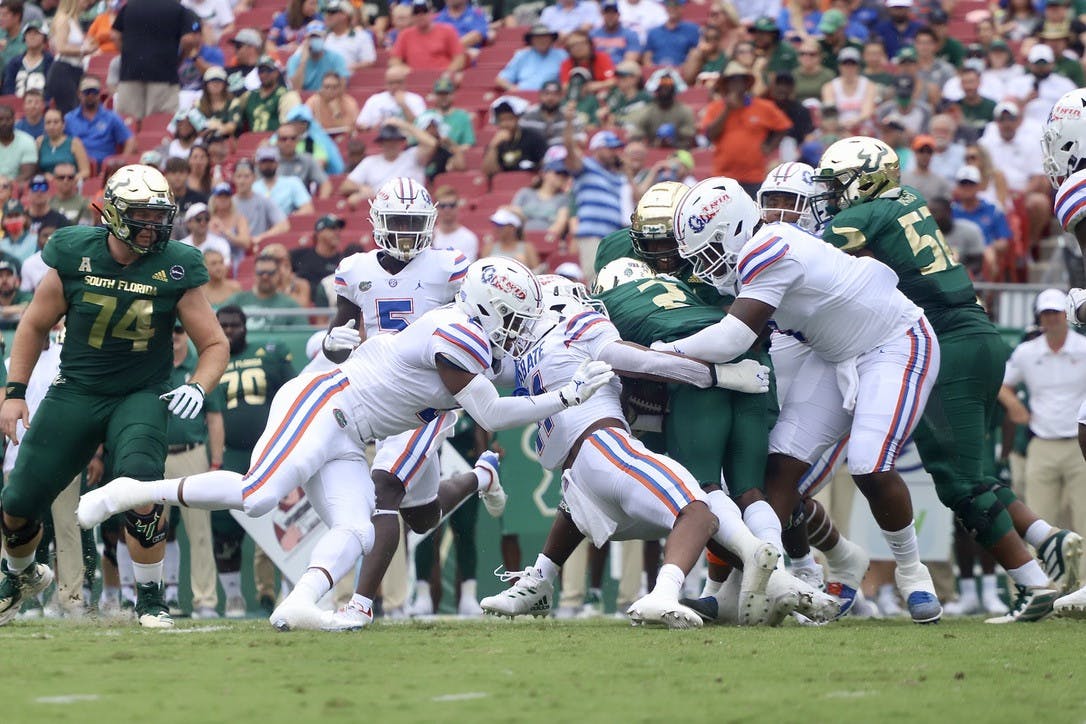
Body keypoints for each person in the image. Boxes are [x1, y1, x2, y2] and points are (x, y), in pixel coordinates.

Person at [78, 256, 616, 631]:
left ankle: (301, 604)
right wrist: (566, 397)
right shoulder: (458, 332)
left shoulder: (473, 330)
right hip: (322, 404)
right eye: (514, 319)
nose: (519, 329)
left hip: (352, 430)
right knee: (259, 495)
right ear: (488, 310)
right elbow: (493, 411)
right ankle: (131, 489)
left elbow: (514, 363)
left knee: (359, 528)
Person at [657, 175, 945, 624]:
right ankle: (748, 587)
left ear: (735, 230)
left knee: (870, 463)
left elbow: (733, 336)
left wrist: (663, 353)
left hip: (895, 341)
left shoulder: (768, 248)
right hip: (831, 355)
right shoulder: (756, 251)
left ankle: (913, 572)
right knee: (777, 467)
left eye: (710, 251)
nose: (706, 266)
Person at [813, 137, 1073, 622]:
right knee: (975, 475)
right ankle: (1049, 540)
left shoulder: (864, 214)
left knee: (959, 484)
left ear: (863, 179)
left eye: (836, 185)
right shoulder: (907, 199)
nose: (831, 195)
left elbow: (811, 256)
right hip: (979, 334)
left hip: (945, 344)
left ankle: (1033, 582)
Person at [0, 164, 230, 628]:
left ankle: (149, 597)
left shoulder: (175, 264)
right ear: (114, 213)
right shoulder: (74, 253)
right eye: (143, 213)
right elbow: (34, 325)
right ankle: (20, 575)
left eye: (159, 213)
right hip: (77, 390)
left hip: (140, 393)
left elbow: (215, 344)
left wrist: (198, 385)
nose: (155, 224)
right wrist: (14, 393)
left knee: (141, 484)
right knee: (18, 500)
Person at [210, 304, 295, 617]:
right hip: (230, 451)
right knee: (224, 524)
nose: (229, 330)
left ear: (246, 326)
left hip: (268, 450)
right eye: (223, 325)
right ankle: (233, 597)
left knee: (278, 523)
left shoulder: (270, 353)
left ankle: (277, 594)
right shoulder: (212, 359)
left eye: (234, 325)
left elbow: (292, 392)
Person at [162, 322, 221, 618]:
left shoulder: (199, 368)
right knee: (148, 530)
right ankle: (152, 598)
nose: (174, 334)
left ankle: (205, 600)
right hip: (156, 455)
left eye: (179, 329)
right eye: (170, 329)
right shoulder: (153, 367)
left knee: (199, 533)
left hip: (192, 454)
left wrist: (215, 462)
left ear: (187, 334)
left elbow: (214, 416)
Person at [701, 62, 792, 198]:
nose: (736, 85)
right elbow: (709, 135)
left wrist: (769, 146)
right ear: (725, 84)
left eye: (740, 80)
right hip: (722, 176)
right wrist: (727, 110)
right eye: (732, 81)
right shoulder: (715, 107)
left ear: (746, 83)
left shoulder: (763, 106)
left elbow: (784, 126)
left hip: (754, 176)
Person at [112, 0, 201, 119]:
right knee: (159, 123)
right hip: (164, 75)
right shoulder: (178, 9)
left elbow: (114, 35)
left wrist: (128, 55)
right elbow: (188, 40)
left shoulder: (129, 6)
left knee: (129, 123)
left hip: (130, 75)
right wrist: (181, 58)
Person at [340, 122, 427, 207]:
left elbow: (431, 143)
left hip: (412, 204)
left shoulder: (413, 156)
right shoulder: (370, 162)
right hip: (383, 207)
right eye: (387, 141)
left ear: (401, 142)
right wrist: (361, 188)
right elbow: (346, 186)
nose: (391, 144)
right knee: (354, 199)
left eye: (394, 140)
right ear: (381, 143)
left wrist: (403, 125)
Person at [63, 76, 135, 166]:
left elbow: (129, 139)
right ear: (79, 94)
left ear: (99, 93)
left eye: (94, 92)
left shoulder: (111, 117)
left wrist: (122, 162)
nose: (91, 95)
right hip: (77, 166)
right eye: (87, 92)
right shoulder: (69, 118)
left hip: (104, 166)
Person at [290, 214, 360, 304]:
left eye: (339, 229)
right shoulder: (300, 255)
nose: (337, 232)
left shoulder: (343, 262)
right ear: (319, 233)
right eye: (332, 228)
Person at [225, 253, 304, 329]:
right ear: (254, 274)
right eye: (260, 273)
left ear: (278, 275)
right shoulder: (236, 300)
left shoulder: (290, 305)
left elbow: (299, 336)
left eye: (270, 273)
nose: (265, 276)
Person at [44, 0, 94, 115]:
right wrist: (84, 49)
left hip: (76, 69)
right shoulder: (63, 19)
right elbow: (60, 47)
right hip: (63, 70)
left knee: (77, 110)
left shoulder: (73, 19)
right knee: (69, 111)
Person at [390, 0, 464, 74]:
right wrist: (409, 72)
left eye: (424, 11)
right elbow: (394, 60)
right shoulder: (405, 35)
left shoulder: (448, 31)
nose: (420, 15)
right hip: (414, 79)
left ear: (431, 13)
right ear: (412, 16)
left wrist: (448, 73)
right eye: (416, 13)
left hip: (443, 79)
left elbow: (459, 59)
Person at [481, 96, 548, 176]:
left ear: (517, 119)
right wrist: (493, 146)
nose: (506, 124)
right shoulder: (495, 143)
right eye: (502, 120)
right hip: (505, 185)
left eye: (510, 119)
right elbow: (488, 172)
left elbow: (545, 164)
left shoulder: (533, 137)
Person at [237, 56, 301, 134]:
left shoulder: (287, 95)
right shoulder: (249, 95)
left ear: (276, 73)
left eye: (268, 71)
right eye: (261, 71)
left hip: (276, 141)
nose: (264, 74)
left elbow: (290, 126)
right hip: (252, 141)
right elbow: (234, 111)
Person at [231, 159, 288, 244]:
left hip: (259, 246)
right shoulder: (229, 203)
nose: (242, 181)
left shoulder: (263, 201)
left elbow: (284, 225)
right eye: (239, 176)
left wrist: (261, 237)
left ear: (254, 178)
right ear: (234, 178)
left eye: (246, 176)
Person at [496, 24, 567, 92]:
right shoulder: (521, 55)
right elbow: (500, 80)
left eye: (545, 37)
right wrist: (513, 89)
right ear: (531, 41)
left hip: (551, 97)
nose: (542, 40)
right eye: (537, 38)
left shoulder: (562, 55)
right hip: (524, 95)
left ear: (551, 39)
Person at [287, 20, 349, 93]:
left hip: (329, 98)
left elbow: (342, 85)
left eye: (318, 37)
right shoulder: (294, 60)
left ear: (325, 38)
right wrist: (303, 61)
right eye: (312, 37)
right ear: (306, 39)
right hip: (303, 101)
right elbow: (296, 89)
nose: (315, 40)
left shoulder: (337, 58)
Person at [511, 159, 571, 235]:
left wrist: (543, 239)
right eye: (558, 173)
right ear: (544, 174)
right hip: (523, 239)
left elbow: (560, 223)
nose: (562, 177)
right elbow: (512, 214)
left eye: (565, 175)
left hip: (548, 240)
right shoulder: (525, 193)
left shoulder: (563, 198)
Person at [252, 146, 314, 217]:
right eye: (264, 162)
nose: (268, 165)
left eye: (271, 161)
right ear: (258, 164)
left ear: (277, 163)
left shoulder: (293, 182)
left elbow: (307, 208)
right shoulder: (253, 188)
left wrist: (288, 219)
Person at [480, 207, 540, 271]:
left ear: (512, 227)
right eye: (495, 224)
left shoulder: (527, 248)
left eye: (500, 225)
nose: (496, 228)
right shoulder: (488, 248)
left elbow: (537, 272)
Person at [322, 0, 375, 72]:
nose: (327, 16)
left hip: (352, 80)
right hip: (325, 80)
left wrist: (342, 69)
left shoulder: (361, 36)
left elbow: (369, 62)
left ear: (345, 15)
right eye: (326, 13)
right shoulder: (323, 37)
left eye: (332, 13)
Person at [3, 19, 51, 97]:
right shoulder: (14, 63)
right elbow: (8, 89)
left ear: (44, 38)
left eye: (36, 33)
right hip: (15, 105)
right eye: (28, 33)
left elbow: (51, 90)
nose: (32, 36)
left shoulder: (50, 62)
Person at [164, 156, 208, 239]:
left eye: (181, 172)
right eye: (173, 172)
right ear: (166, 175)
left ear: (188, 174)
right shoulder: (161, 200)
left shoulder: (199, 198)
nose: (177, 177)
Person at [37, 107, 88, 178]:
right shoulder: (39, 142)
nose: (52, 126)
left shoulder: (75, 143)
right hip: (46, 186)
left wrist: (67, 180)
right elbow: (34, 170)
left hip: (69, 184)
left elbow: (85, 172)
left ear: (63, 125)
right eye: (48, 122)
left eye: (56, 122)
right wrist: (43, 176)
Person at [432, 185, 479, 260]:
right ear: (436, 208)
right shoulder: (429, 237)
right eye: (442, 206)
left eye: (452, 205)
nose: (447, 209)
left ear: (458, 206)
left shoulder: (469, 238)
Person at [305, 71, 359, 137]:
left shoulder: (349, 102)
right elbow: (305, 126)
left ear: (340, 88)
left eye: (334, 87)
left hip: (343, 139)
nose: (330, 91)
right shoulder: (313, 102)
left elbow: (351, 129)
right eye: (327, 87)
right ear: (321, 88)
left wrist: (337, 113)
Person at [207, 182, 251, 261]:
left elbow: (246, 243)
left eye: (226, 197)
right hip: (211, 259)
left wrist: (226, 232)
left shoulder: (239, 219)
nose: (223, 199)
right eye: (220, 196)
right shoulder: (207, 219)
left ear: (231, 199)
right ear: (214, 199)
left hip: (235, 258)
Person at [0, 104, 36, 182]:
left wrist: (5, 186)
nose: (4, 123)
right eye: (0, 119)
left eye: (8, 119)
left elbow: (28, 173)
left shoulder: (27, 141)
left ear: (14, 120)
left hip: (17, 188)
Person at [0, 257, 29, 328]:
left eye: (8, 275)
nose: (4, 280)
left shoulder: (25, 296)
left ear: (17, 280)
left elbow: (29, 307)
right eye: (0, 276)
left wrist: (3, 311)